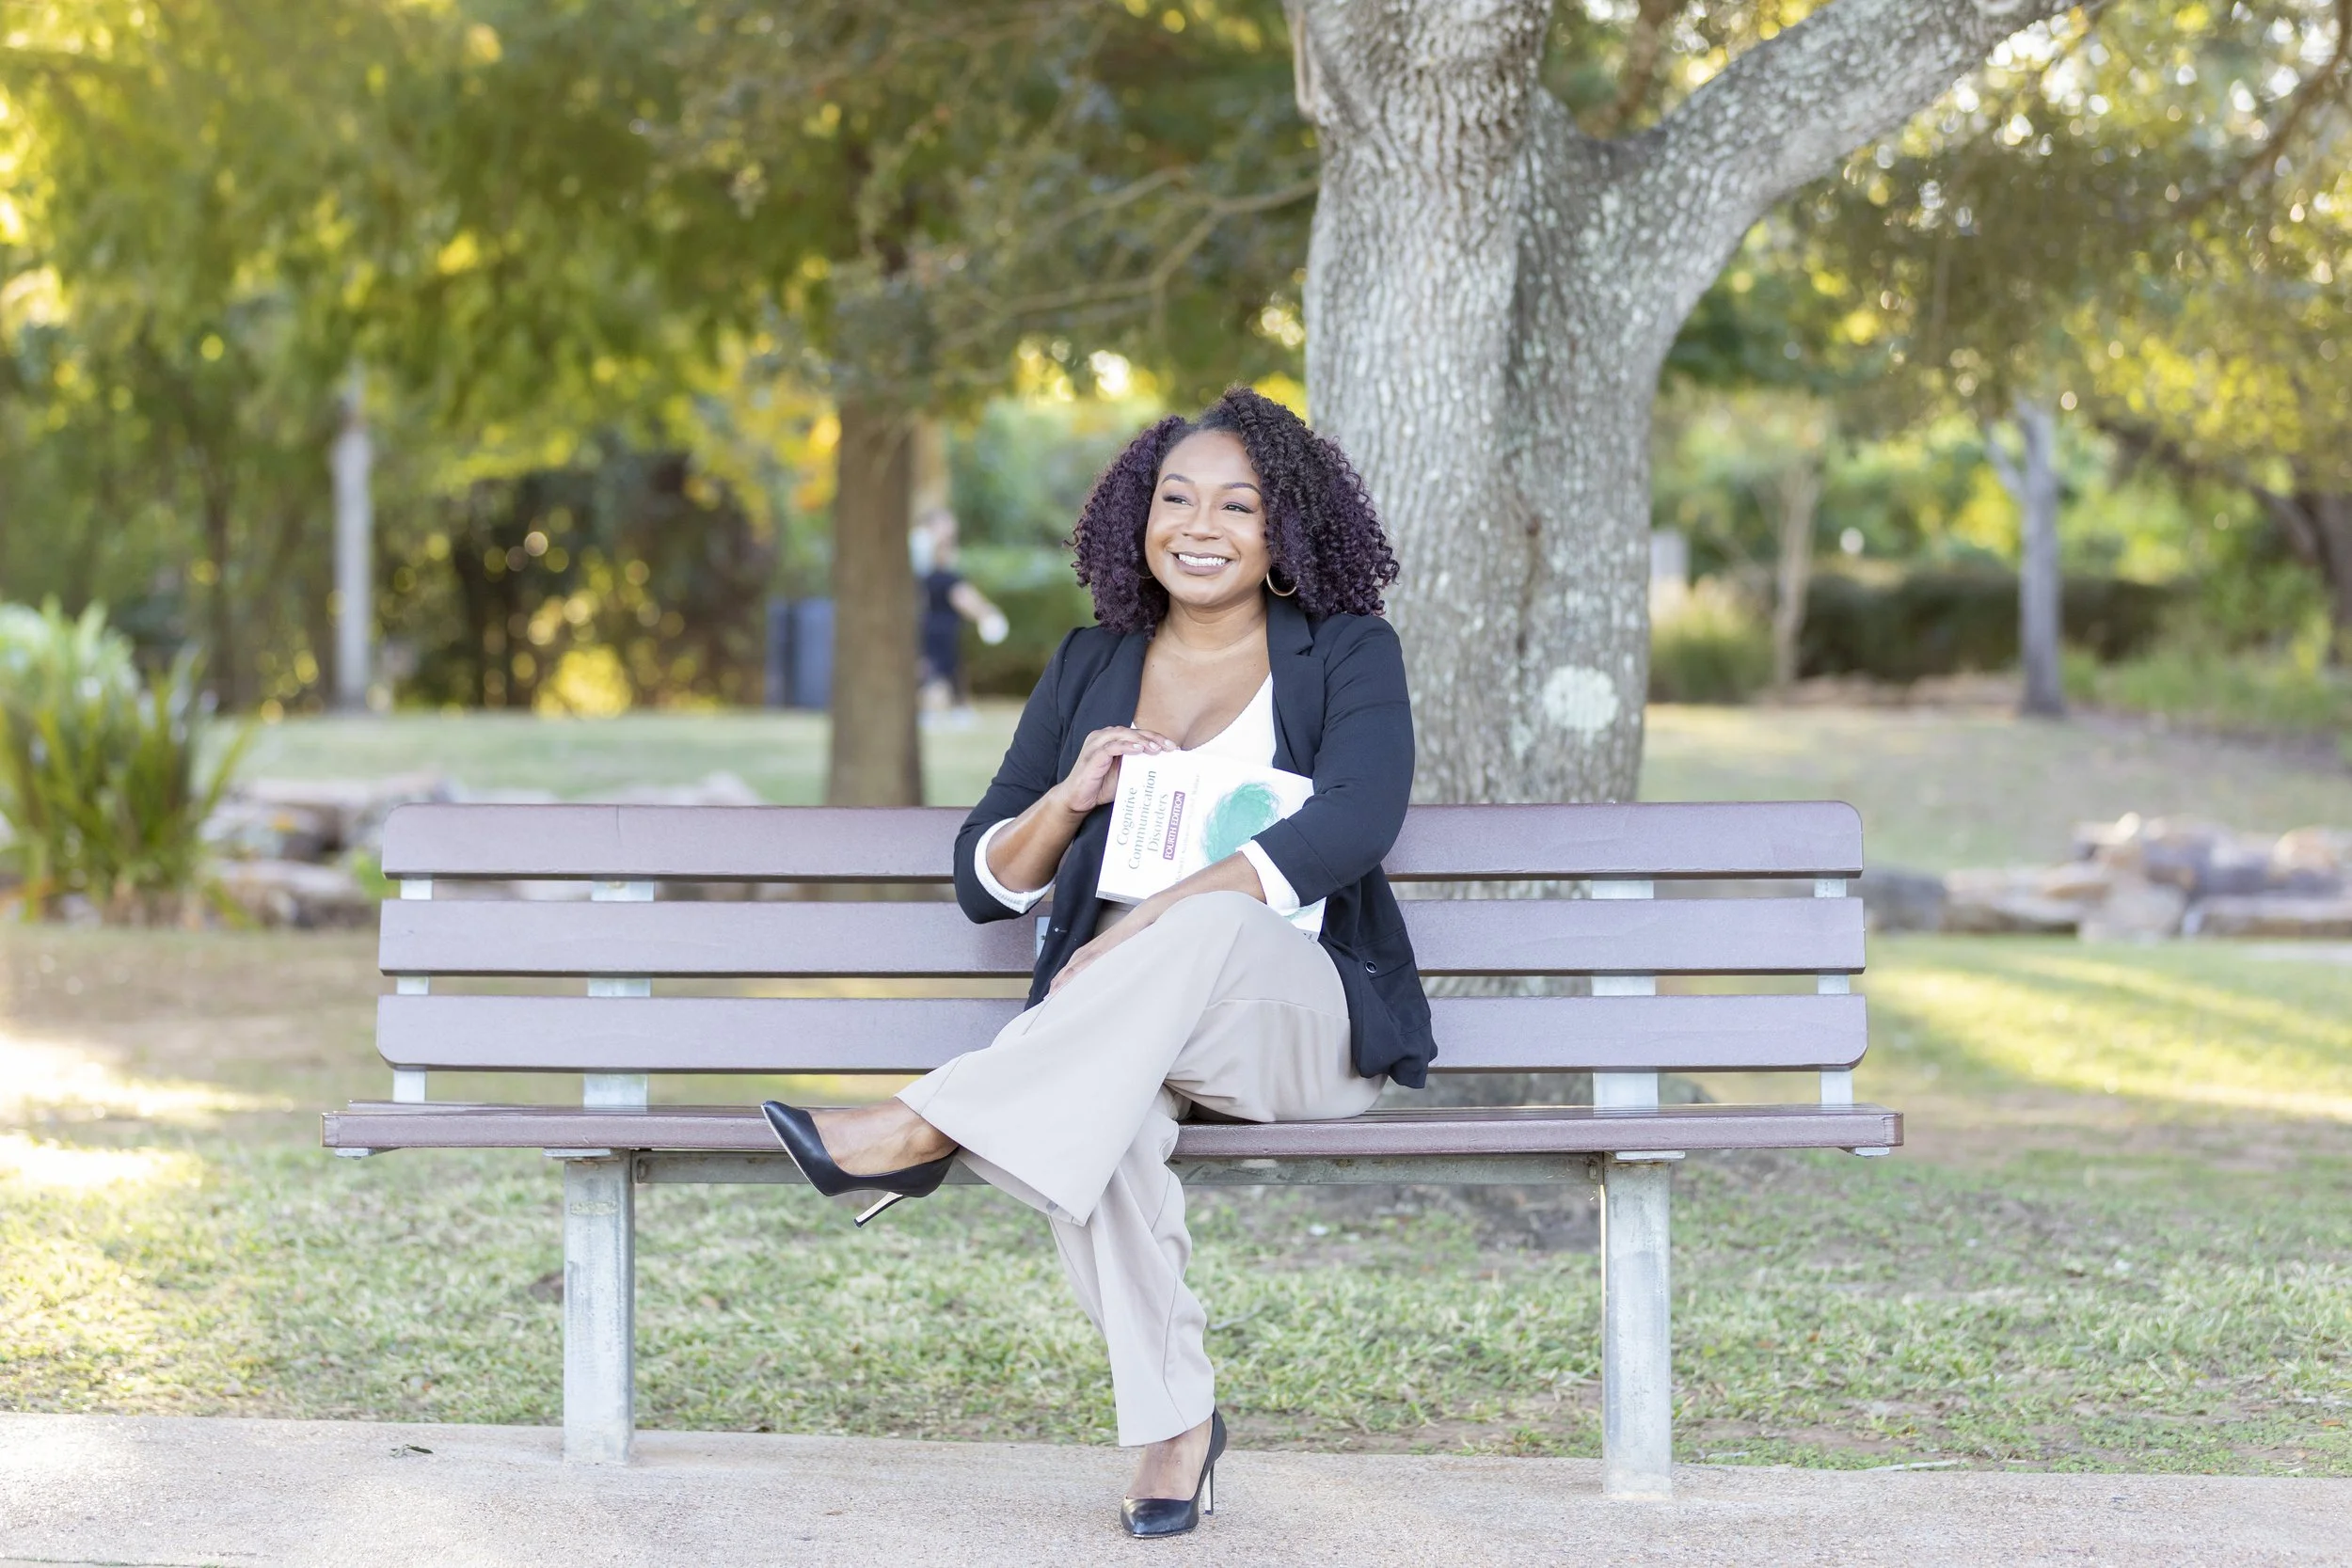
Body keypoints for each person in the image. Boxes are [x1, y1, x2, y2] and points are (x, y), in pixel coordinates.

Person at [763, 388, 1432, 1538]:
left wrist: (1142, 924)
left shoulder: (1346, 652)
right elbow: (984, 874)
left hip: (1288, 1018)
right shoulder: (1091, 663)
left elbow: (1357, 821)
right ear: (1139, 515)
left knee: (1209, 929)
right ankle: (1174, 1425)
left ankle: (926, 1127)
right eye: (1176, 497)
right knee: (1104, 1112)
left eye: (1240, 502)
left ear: (1287, 529)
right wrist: (1070, 800)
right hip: (1120, 1031)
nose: (1201, 523)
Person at [912, 506, 1009, 724]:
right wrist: (986, 613)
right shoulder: (923, 549)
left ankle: (955, 708)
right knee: (935, 672)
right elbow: (960, 595)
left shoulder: (944, 557)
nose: (950, 530)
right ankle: (935, 711)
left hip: (943, 623)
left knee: (948, 669)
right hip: (936, 624)